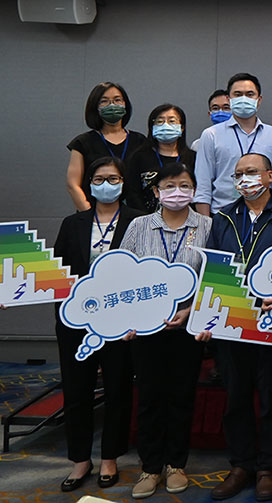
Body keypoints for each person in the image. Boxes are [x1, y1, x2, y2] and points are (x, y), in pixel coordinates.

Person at [203, 153, 272, 501]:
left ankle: (268, 468)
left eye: (252, 172)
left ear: (270, 176)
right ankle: (241, 464)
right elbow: (213, 268)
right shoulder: (224, 218)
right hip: (231, 320)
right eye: (239, 174)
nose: (245, 179)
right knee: (236, 396)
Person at [118, 162, 213, 499]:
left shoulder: (208, 226)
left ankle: (175, 464)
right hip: (146, 328)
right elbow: (122, 273)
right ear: (157, 192)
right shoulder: (139, 226)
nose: (177, 192)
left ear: (194, 190)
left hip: (187, 327)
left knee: (181, 396)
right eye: (169, 186)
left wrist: (192, 311)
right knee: (149, 397)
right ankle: (150, 467)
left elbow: (213, 278)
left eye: (184, 186)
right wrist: (128, 317)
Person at [52, 156, 142, 493]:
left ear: (124, 182)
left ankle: (109, 458)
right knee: (77, 391)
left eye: (113, 178)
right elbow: (56, 271)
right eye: (99, 179)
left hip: (120, 320)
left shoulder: (138, 221)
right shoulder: (72, 223)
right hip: (77, 320)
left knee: (118, 389)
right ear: (89, 184)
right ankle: (79, 460)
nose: (106, 184)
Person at [195, 72, 272, 215]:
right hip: (223, 213)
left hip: (266, 214)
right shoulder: (211, 135)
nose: (244, 99)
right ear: (229, 99)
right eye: (238, 94)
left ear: (259, 100)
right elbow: (203, 185)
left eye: (250, 94)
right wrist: (206, 222)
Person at [67, 82, 148, 211]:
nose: (112, 105)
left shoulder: (140, 141)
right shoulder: (83, 142)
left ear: (125, 104)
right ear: (95, 106)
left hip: (134, 214)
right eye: (104, 101)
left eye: (117, 100)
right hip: (95, 213)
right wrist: (88, 214)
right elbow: (73, 184)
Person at [125, 104, 197, 214]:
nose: (165, 125)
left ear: (182, 128)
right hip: (145, 218)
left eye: (172, 121)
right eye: (159, 122)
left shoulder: (193, 158)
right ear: (152, 127)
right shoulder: (139, 157)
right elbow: (132, 193)